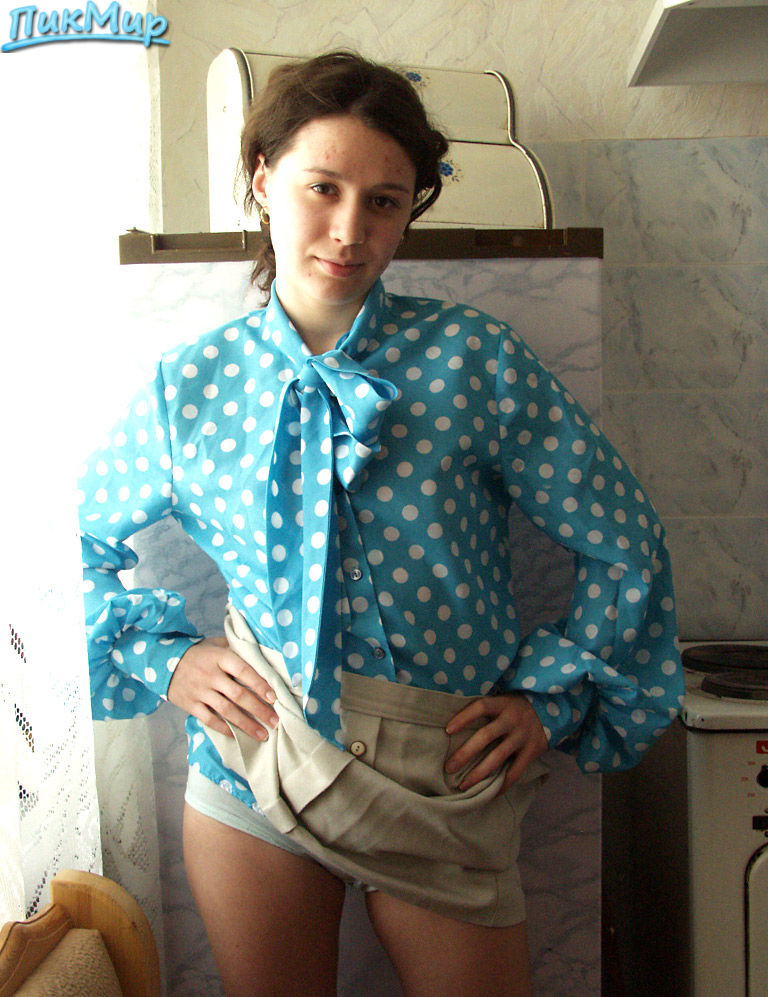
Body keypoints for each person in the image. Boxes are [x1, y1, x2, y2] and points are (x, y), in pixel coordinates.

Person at [78, 51, 684, 997]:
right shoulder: (188, 387)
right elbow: (68, 552)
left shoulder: (473, 360)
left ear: (410, 211)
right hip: (258, 765)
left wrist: (552, 701)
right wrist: (168, 659)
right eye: (322, 187)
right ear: (264, 180)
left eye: (385, 201)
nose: (349, 229)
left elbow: (624, 539)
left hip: (447, 773)